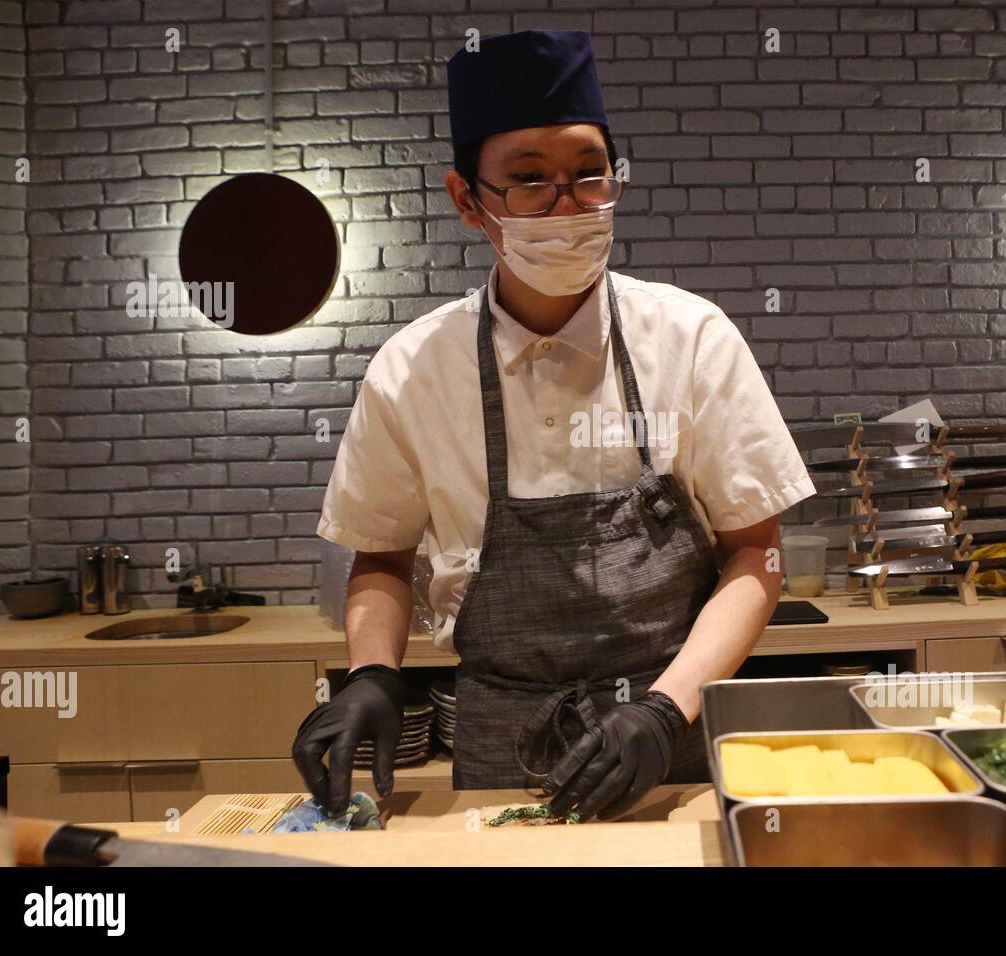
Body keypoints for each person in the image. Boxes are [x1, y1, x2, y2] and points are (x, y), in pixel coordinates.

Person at [293, 29, 815, 821]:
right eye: (530, 181)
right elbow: (382, 558)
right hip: (503, 743)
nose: (567, 205)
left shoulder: (691, 338)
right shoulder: (411, 370)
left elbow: (756, 552)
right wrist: (371, 673)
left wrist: (666, 708)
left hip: (668, 740)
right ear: (468, 199)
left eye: (588, 175)